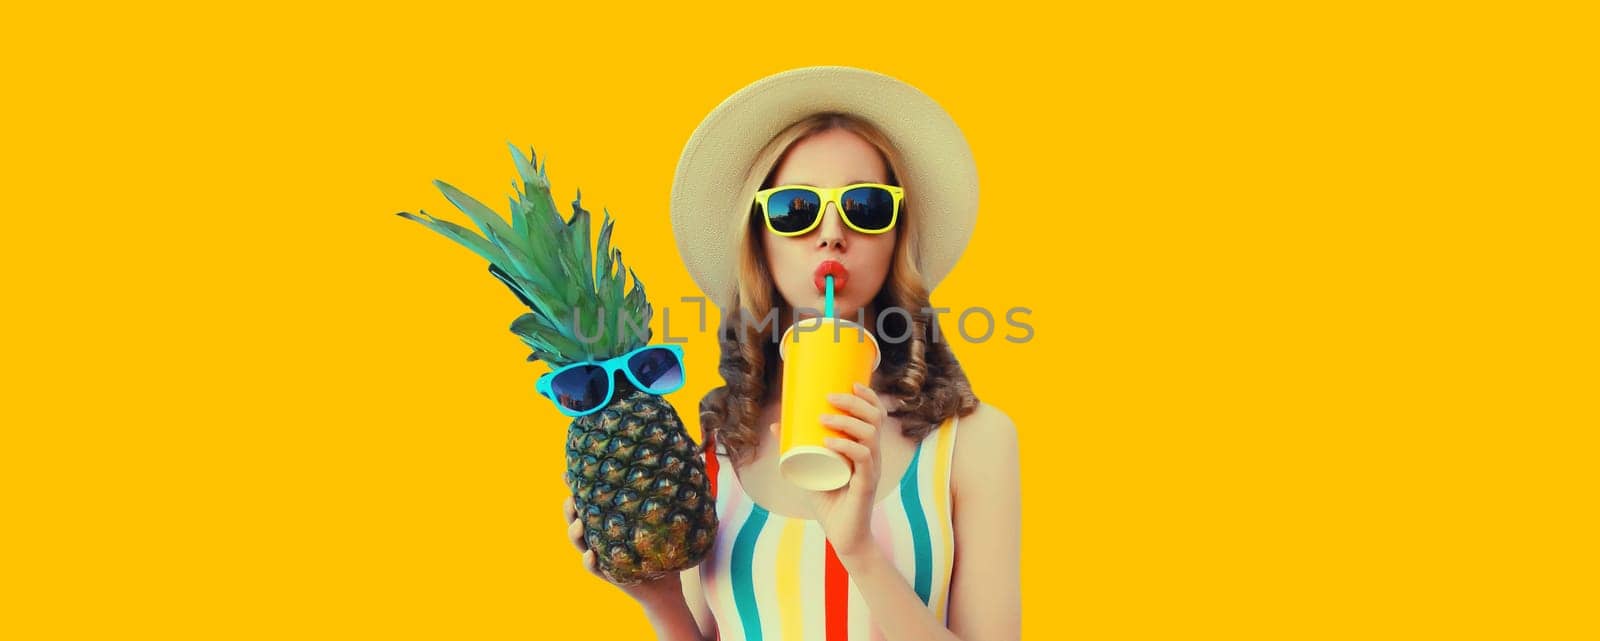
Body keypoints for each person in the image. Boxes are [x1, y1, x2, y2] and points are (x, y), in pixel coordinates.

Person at [564, 66, 1021, 641]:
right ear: (759, 238)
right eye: (795, 209)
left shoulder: (973, 443)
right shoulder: (713, 451)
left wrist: (858, 550)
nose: (832, 233)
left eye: (866, 206)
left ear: (896, 238)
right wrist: (658, 601)